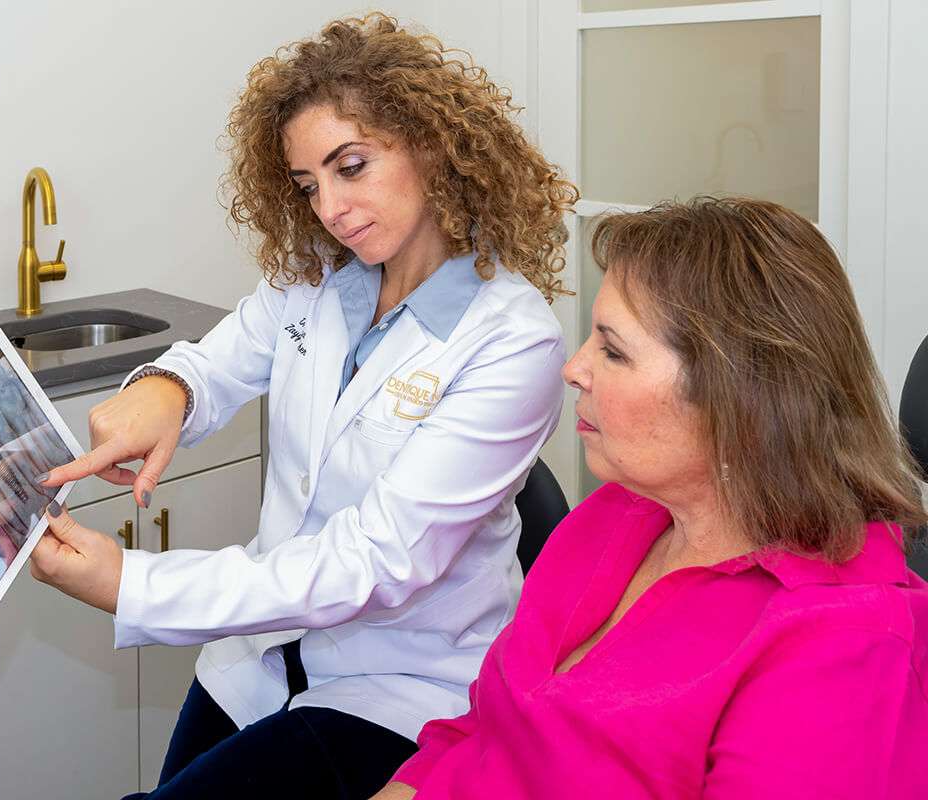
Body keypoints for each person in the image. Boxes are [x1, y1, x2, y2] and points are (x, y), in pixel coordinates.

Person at [28, 12, 575, 799]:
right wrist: (165, 392)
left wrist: (135, 584)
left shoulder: (512, 340)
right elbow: (214, 364)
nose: (331, 208)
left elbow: (378, 561)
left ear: (430, 142)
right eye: (309, 185)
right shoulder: (319, 278)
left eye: (352, 166)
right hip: (254, 655)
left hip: (395, 684)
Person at [374, 197, 928, 800]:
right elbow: (483, 727)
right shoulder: (616, 515)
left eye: (613, 350)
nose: (574, 367)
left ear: (734, 400)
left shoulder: (840, 645)